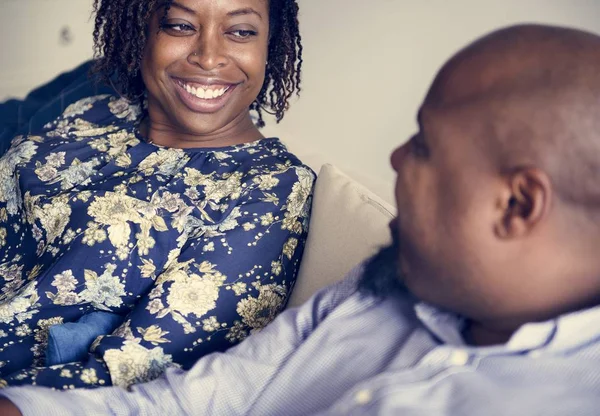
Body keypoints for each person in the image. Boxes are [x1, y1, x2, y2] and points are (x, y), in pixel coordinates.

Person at [3, 22, 600, 415]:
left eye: (424, 146)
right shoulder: (377, 291)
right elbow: (190, 402)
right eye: (180, 22)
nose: (393, 158)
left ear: (518, 205)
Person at [0, 0, 314, 390]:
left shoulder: (269, 188)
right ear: (143, 34)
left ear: (271, 45)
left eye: (241, 32)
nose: (209, 57)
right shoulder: (99, 108)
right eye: (181, 26)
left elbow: (132, 371)